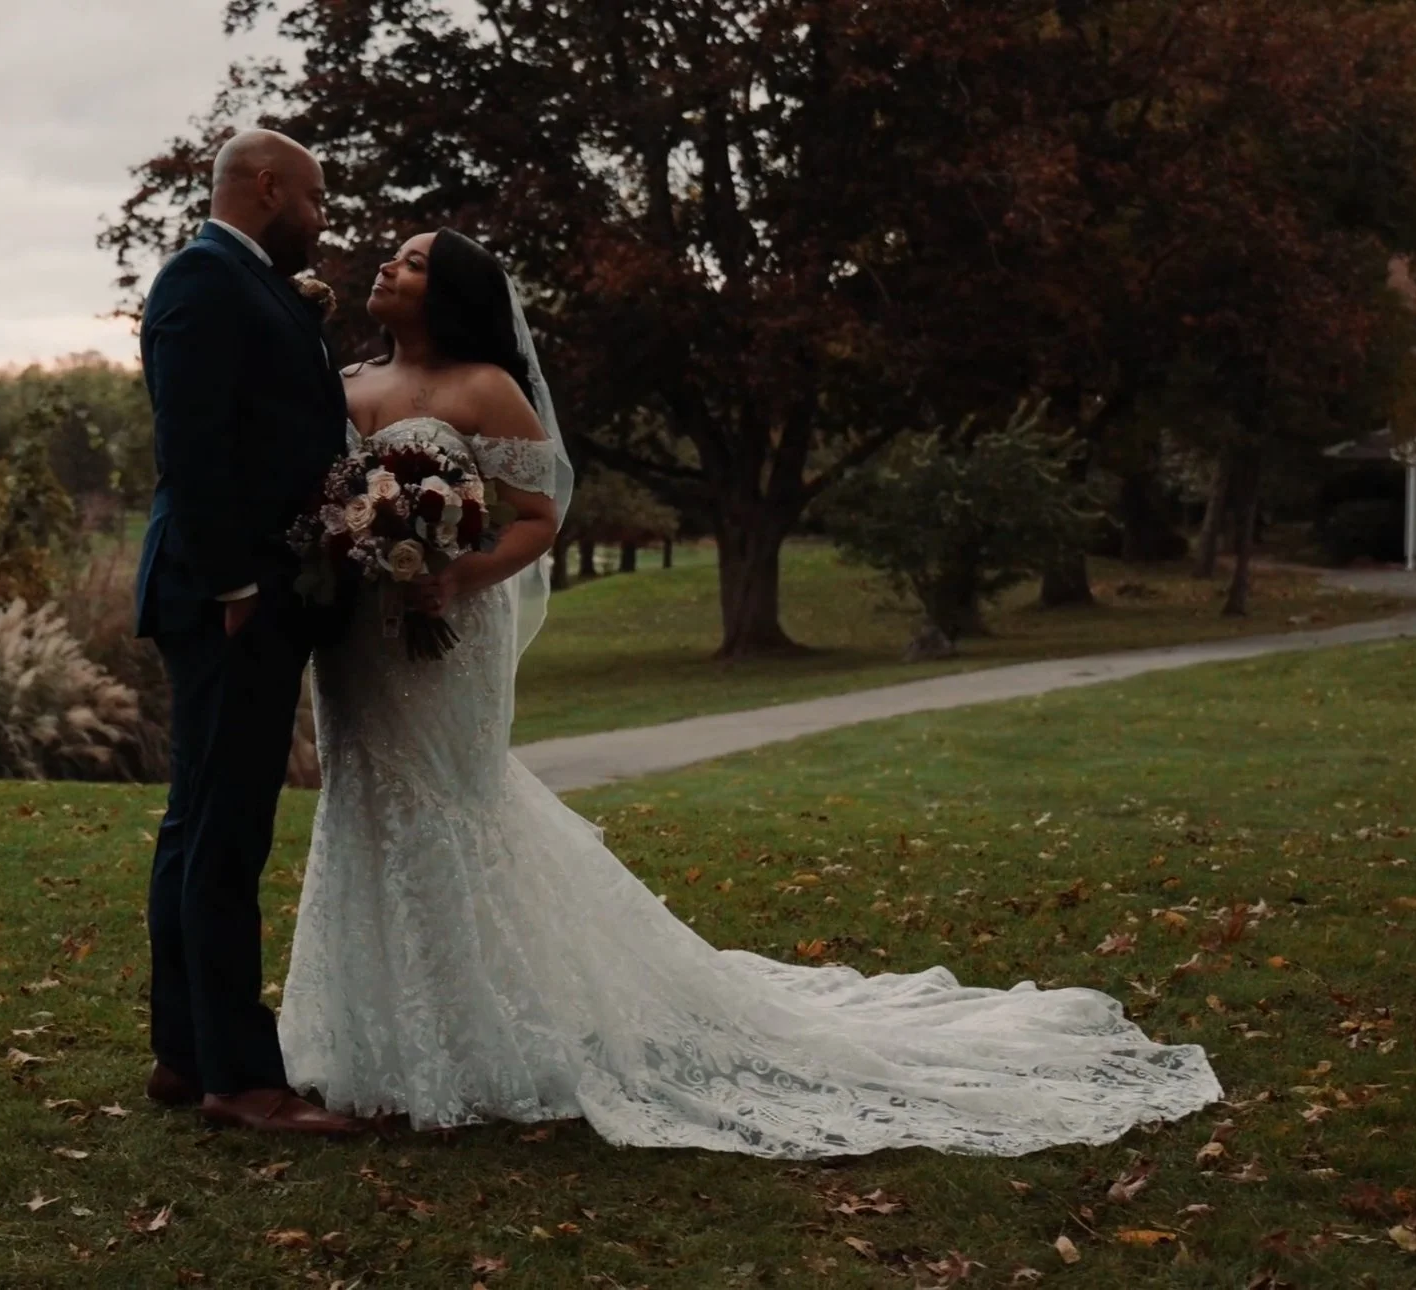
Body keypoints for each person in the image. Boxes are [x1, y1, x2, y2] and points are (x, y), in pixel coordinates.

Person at [277, 228, 1226, 1158]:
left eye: (412, 262)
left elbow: (539, 516)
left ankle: (471, 1038)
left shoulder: (485, 388)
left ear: (449, 295)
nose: (388, 265)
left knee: (448, 804)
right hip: (357, 639)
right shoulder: (344, 381)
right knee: (363, 803)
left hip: (448, 633)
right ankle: (375, 1036)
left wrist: (458, 577)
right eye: (394, 256)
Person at [134, 129, 361, 1136]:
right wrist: (233, 581)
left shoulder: (252, 282)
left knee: (200, 826)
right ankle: (239, 1079)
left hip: (246, 593)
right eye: (314, 200)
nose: (321, 219)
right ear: (267, 186)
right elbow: (192, 443)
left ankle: (186, 1054)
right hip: (230, 598)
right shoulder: (201, 279)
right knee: (224, 837)